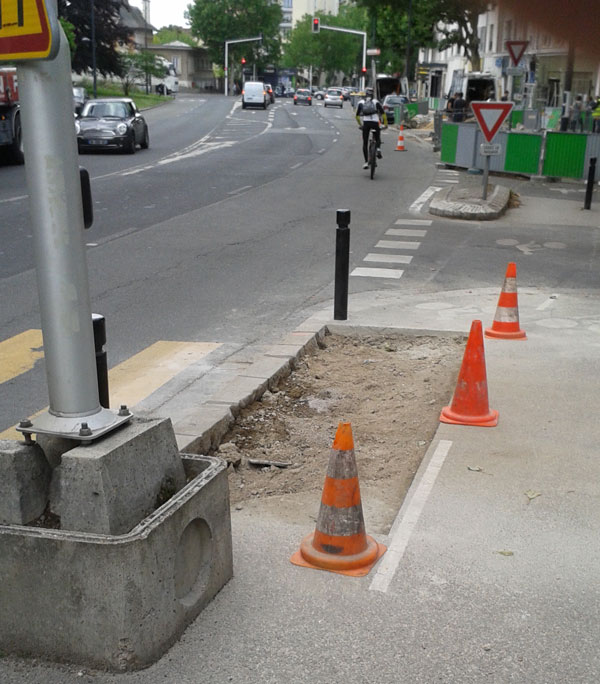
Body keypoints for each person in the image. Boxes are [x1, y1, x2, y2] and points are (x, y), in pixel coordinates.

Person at [355, 87, 388, 170]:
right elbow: (383, 114)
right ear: (373, 94)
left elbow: (357, 116)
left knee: (365, 143)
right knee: (377, 137)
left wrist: (361, 125)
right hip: (375, 122)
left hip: (366, 123)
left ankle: (366, 162)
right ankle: (378, 149)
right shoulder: (376, 102)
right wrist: (385, 124)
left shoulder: (361, 102)